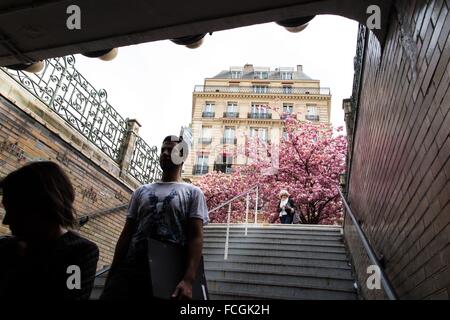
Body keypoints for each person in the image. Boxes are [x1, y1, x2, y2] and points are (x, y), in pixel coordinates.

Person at [101, 135, 209, 300]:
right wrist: (113, 272)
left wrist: (189, 279)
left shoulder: (193, 193)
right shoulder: (141, 191)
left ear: (182, 156)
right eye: (162, 149)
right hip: (132, 269)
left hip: (168, 272)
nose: (165, 153)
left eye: (170, 149)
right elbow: (127, 233)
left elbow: (196, 237)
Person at [0, 161, 99, 300]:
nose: (6, 221)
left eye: (14, 210)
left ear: (44, 207)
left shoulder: (80, 253)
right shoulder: (6, 247)